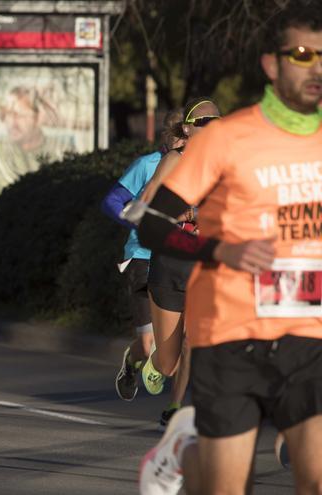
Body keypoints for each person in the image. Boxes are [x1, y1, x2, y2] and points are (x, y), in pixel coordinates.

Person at [135, 5, 322, 493]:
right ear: (271, 64)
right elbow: (152, 224)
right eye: (303, 54)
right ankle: (185, 449)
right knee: (227, 486)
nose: (316, 67)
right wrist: (220, 251)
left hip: (307, 331)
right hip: (232, 333)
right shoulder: (226, 139)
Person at [136, 98, 220, 430]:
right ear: (187, 129)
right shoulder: (175, 159)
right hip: (170, 263)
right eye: (203, 123)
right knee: (169, 361)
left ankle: (187, 408)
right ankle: (154, 362)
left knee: (195, 340)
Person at [104, 109, 184, 405]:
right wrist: (138, 222)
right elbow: (112, 201)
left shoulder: (201, 168)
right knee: (149, 342)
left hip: (179, 260)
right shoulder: (147, 165)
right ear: (166, 135)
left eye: (184, 135)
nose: (179, 142)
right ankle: (132, 361)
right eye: (175, 135)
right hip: (142, 255)